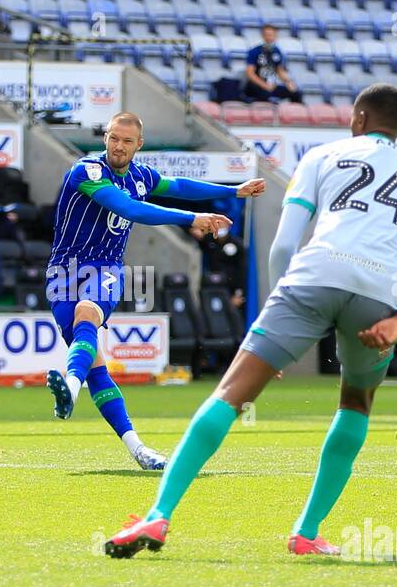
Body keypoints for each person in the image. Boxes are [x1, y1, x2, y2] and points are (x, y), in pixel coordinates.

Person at [103, 85, 397, 558]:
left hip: (314, 276)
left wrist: (274, 318)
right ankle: (306, 533)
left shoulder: (322, 156)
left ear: (359, 118)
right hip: (381, 294)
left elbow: (284, 246)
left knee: (231, 392)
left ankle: (159, 515)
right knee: (356, 402)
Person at [44, 111, 263, 470]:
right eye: (114, 138)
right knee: (97, 369)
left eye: (126, 141)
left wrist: (232, 191)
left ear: (138, 145)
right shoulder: (88, 171)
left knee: (88, 313)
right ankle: (138, 449)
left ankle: (69, 385)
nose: (118, 146)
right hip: (64, 273)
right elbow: (129, 208)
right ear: (106, 138)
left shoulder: (142, 175)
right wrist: (192, 218)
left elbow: (179, 185)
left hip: (106, 270)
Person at [243, 24, 303, 104]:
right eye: (267, 35)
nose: (269, 37)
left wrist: (288, 82)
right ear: (263, 36)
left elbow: (280, 70)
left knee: (295, 93)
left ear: (275, 36)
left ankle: (296, 114)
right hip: (256, 85)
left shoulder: (277, 51)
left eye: (271, 35)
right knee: (267, 97)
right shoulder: (255, 51)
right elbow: (250, 73)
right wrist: (264, 85)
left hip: (271, 85)